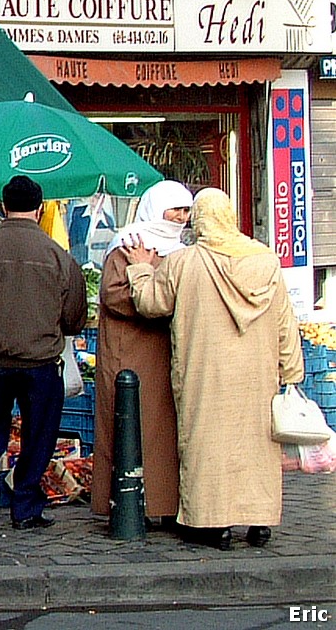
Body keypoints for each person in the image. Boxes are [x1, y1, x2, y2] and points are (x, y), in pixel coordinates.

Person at [123, 187, 304, 550]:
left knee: (207, 448)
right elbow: (286, 323)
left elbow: (150, 303)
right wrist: (291, 371)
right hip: (258, 378)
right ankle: (259, 520)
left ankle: (212, 524)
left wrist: (140, 269)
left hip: (204, 376)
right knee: (257, 449)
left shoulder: (185, 262)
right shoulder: (266, 261)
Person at [0, 175, 87, 529]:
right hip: (40, 362)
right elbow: (74, 318)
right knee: (38, 434)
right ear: (40, 209)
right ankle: (25, 507)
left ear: (2, 206)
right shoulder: (59, 256)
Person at [89, 179, 193, 523]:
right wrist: (151, 288)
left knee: (163, 433)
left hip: (167, 353)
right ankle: (125, 507)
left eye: (186, 211)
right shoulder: (129, 244)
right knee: (129, 426)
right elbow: (115, 295)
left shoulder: (182, 250)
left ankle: (163, 505)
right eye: (174, 209)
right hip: (129, 353)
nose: (180, 217)